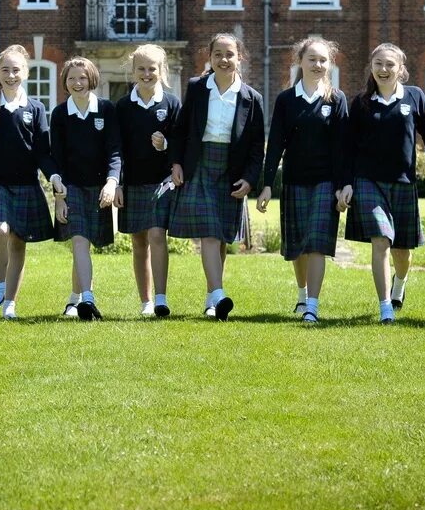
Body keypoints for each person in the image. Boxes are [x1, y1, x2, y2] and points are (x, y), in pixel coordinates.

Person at [339, 43, 425, 325]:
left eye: (390, 64)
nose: (383, 70)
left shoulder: (414, 97)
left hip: (403, 183)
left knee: (402, 252)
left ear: (401, 69)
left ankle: (400, 281)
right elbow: (347, 148)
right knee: (381, 241)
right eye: (378, 64)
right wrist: (346, 183)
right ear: (371, 68)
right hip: (368, 183)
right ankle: (385, 306)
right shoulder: (360, 103)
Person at [169, 33, 265, 321]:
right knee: (210, 233)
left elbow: (256, 146)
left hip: (231, 171)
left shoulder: (251, 98)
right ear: (209, 58)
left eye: (230, 54)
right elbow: (181, 128)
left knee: (221, 237)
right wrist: (175, 162)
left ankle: (212, 300)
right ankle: (219, 294)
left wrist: (249, 179)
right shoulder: (197, 88)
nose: (224, 60)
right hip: (199, 166)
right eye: (218, 54)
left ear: (239, 58)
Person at [256, 36, 349, 324]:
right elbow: (275, 146)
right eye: (312, 59)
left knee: (316, 244)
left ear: (329, 64)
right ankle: (301, 292)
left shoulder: (337, 99)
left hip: (326, 183)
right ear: (301, 62)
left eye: (323, 60)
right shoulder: (286, 100)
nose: (318, 65)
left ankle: (312, 306)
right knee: (298, 247)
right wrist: (267, 183)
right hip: (295, 181)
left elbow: (343, 146)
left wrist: (344, 184)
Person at [0, 44, 63, 320]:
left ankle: (10, 302)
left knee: (18, 242)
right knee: (0, 230)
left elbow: (43, 152)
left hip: (27, 185)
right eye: (5, 70)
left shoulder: (36, 108)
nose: (11, 75)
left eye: (16, 70)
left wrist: (54, 176)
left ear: (26, 73)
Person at [51, 57, 121, 321]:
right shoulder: (59, 114)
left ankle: (73, 299)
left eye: (81, 78)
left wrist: (112, 182)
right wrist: (59, 197)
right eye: (71, 79)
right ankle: (88, 300)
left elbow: (115, 151)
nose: (77, 83)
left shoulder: (106, 109)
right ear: (65, 83)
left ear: (91, 79)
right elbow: (56, 158)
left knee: (85, 246)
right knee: (79, 240)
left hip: (100, 187)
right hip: (71, 188)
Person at [114, 44, 181, 317]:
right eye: (141, 68)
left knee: (156, 235)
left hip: (162, 182)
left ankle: (161, 298)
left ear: (161, 70)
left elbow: (180, 143)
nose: (146, 73)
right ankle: (146, 302)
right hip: (131, 182)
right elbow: (115, 148)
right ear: (133, 71)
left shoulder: (172, 103)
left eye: (152, 68)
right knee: (139, 242)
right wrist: (116, 182)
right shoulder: (122, 106)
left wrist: (166, 146)